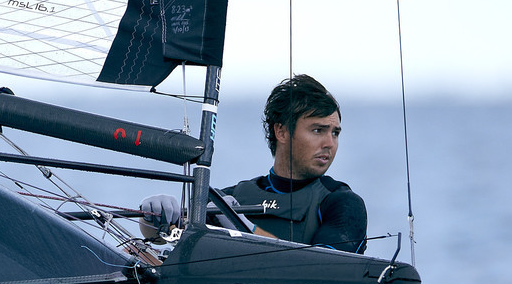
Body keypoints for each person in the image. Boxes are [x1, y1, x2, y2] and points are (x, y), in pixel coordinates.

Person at [139, 74, 367, 252]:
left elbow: (323, 269)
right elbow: (161, 238)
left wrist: (244, 229)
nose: (330, 143)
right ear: (282, 131)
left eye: (335, 133)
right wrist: (151, 218)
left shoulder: (343, 204)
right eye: (318, 130)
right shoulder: (229, 198)